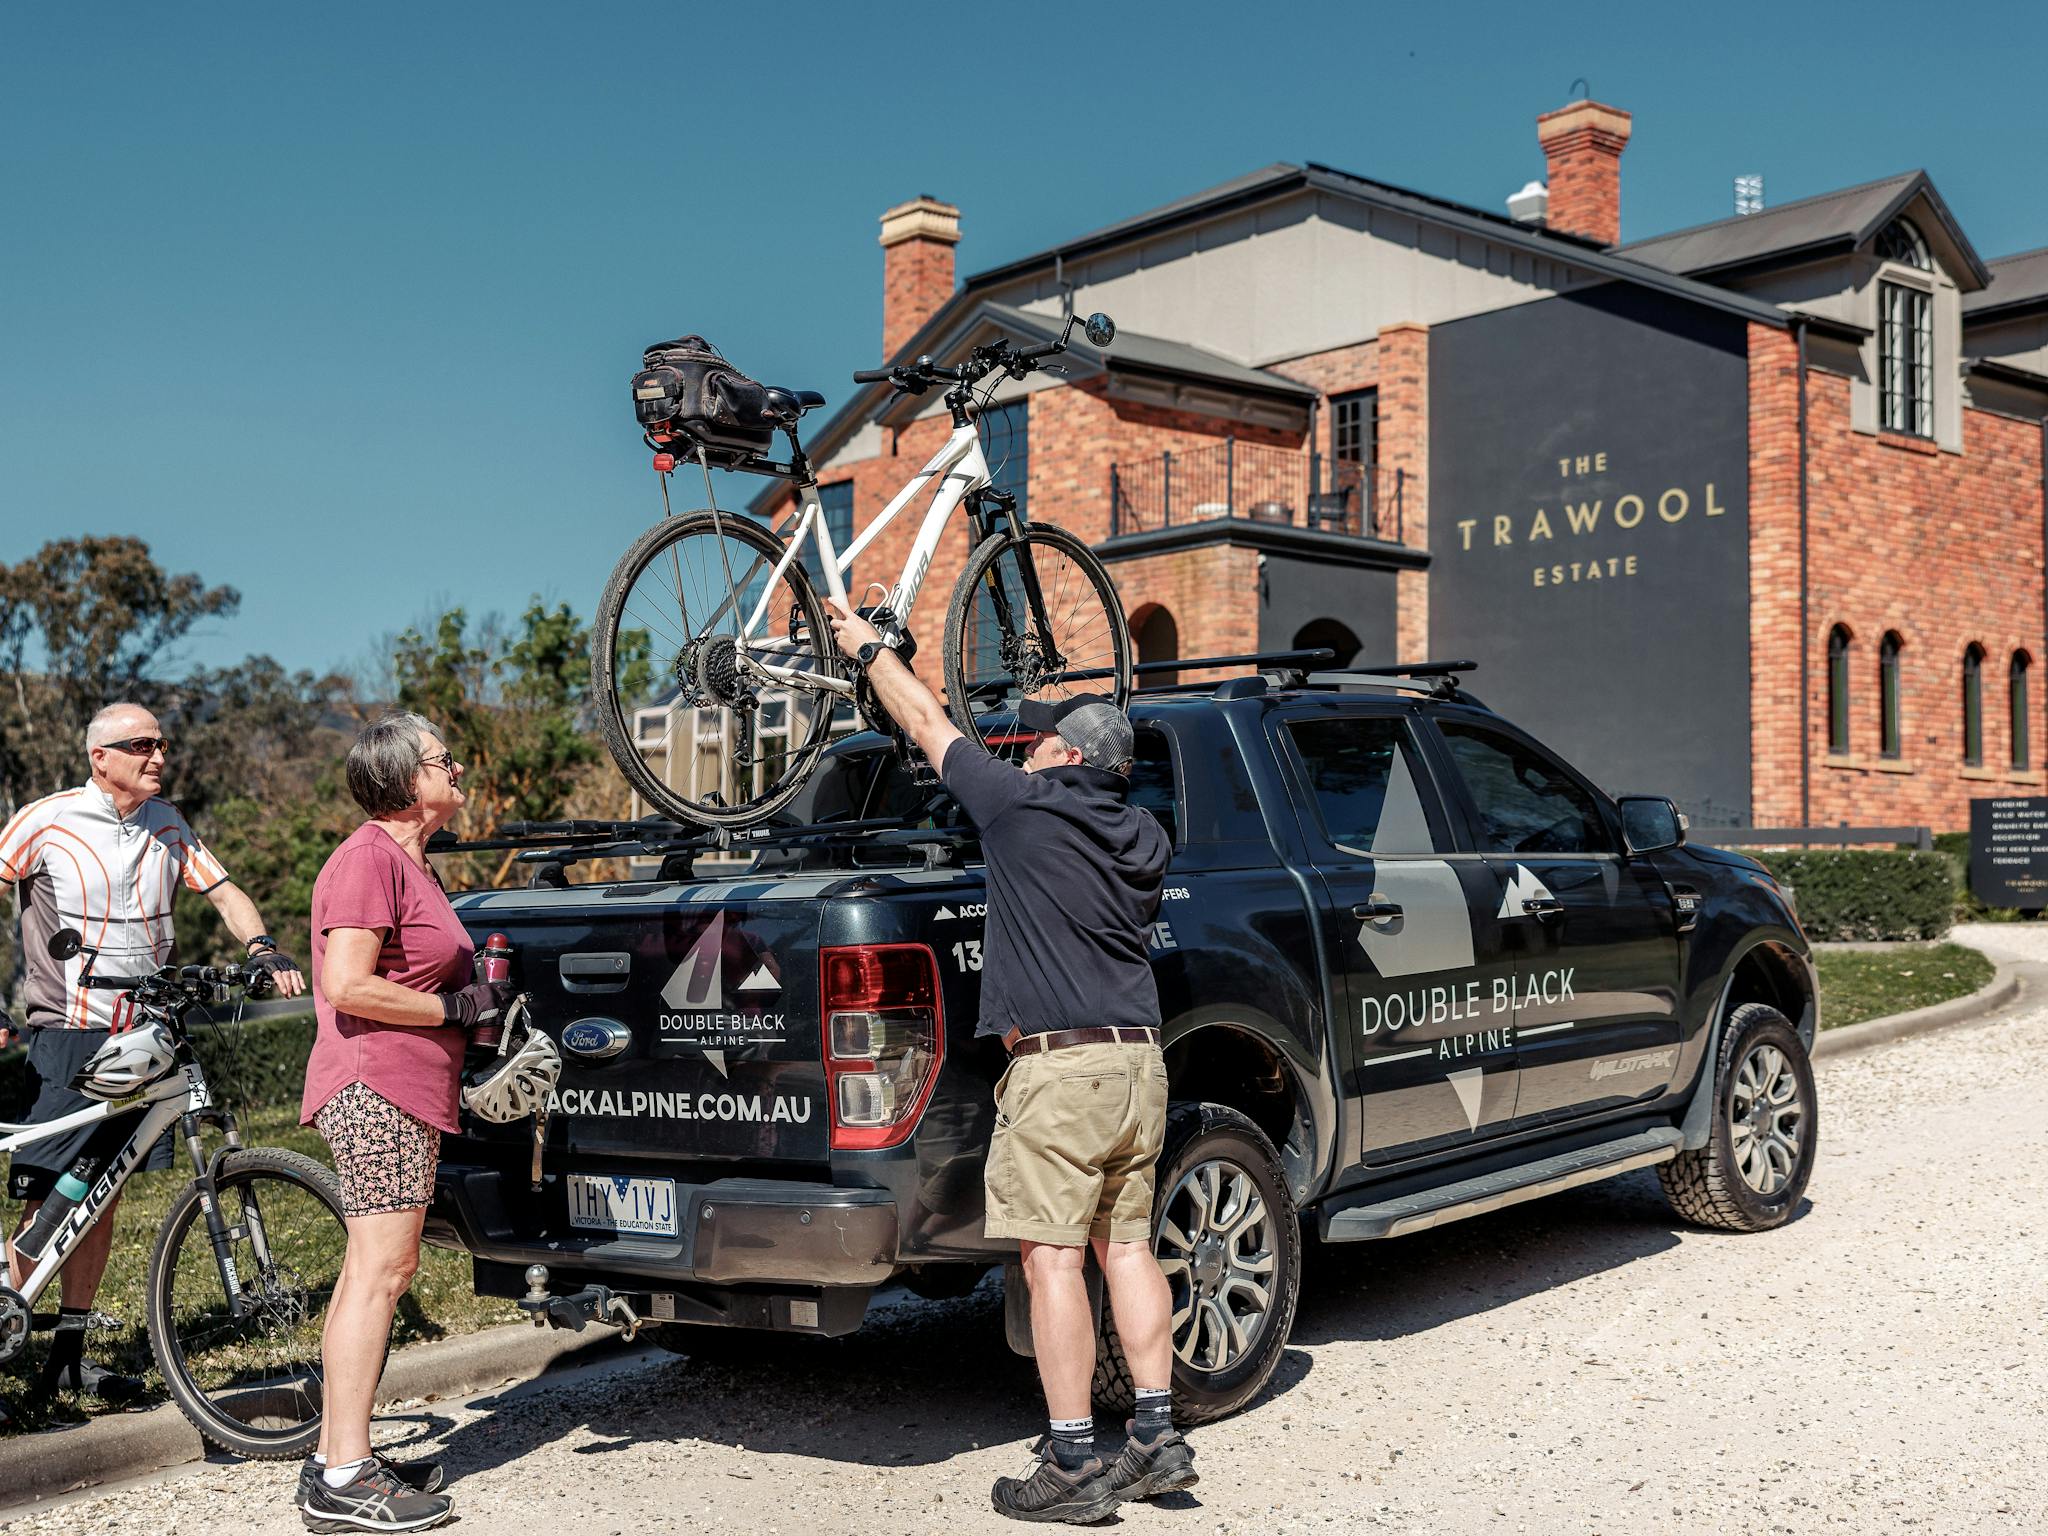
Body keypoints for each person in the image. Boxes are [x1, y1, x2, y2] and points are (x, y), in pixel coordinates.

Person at [826, 601, 1193, 1524]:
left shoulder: (1021, 808)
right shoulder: (1146, 837)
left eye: (1037, 742)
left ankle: (1071, 1460)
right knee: (1130, 1246)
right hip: (1139, 1062)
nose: (1024, 749)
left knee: (1054, 1262)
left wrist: (869, 650)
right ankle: (1157, 1435)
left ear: (1067, 757)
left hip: (1062, 1071)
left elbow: (924, 722)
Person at [0, 702, 304, 1406]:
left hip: (148, 1031)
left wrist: (261, 946)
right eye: (142, 744)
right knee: (49, 1191)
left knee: (102, 1194)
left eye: (162, 743)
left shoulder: (169, 824)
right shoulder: (47, 819)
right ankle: (13, 1332)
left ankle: (70, 1358)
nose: (158, 755)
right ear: (99, 756)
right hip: (71, 1030)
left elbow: (223, 891)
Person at [295, 712, 506, 1533]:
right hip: (374, 1087)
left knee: (370, 1272)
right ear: (401, 780)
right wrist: (454, 1003)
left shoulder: (410, 862)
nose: (456, 770)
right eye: (440, 761)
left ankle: (336, 1460)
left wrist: (475, 1004)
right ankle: (345, 1477)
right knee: (384, 1274)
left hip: (405, 1090)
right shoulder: (366, 861)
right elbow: (348, 984)